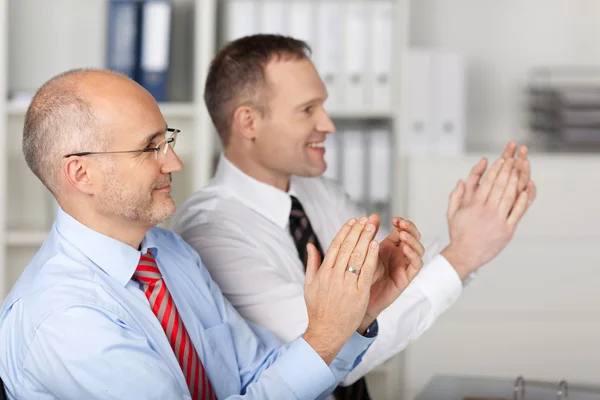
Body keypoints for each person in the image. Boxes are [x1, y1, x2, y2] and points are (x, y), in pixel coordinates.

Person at [0, 69, 423, 400]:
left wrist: (356, 315)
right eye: (151, 148)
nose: (175, 164)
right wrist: (324, 335)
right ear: (81, 173)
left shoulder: (169, 254)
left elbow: (261, 373)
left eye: (168, 140)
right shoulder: (65, 318)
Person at [170, 34, 537, 399]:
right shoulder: (211, 232)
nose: (328, 125)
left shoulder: (317, 192)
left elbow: (391, 286)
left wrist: (465, 240)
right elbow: (325, 350)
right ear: (248, 122)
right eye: (307, 110)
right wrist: (461, 257)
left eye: (323, 107)